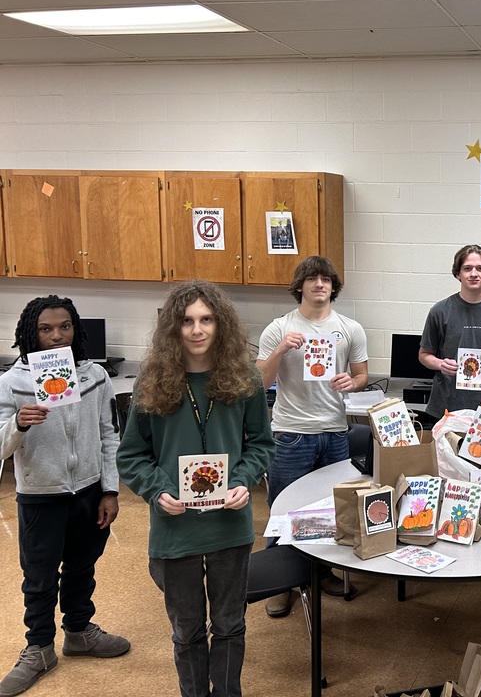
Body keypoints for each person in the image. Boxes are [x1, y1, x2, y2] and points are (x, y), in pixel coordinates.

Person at [117, 280, 275, 697]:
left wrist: (241, 481)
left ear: (221, 324)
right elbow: (131, 456)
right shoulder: (152, 382)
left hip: (230, 525)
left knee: (229, 625)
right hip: (175, 529)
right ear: (174, 327)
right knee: (186, 631)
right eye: (187, 321)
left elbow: (261, 445)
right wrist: (157, 490)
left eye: (206, 319)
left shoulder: (245, 379)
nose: (197, 330)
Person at [0, 296, 130, 697]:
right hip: (41, 494)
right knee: (39, 577)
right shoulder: (12, 382)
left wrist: (110, 489)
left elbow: (109, 434)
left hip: (89, 491)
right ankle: (39, 648)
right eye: (46, 329)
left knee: (81, 566)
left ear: (76, 329)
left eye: (64, 327)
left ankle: (78, 631)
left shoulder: (95, 376)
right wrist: (19, 423)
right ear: (30, 333)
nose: (57, 336)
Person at [256, 255, 368, 614]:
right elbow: (260, 382)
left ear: (333, 287)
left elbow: (362, 375)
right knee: (282, 510)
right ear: (300, 286)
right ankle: (280, 583)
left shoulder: (349, 328)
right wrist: (281, 349)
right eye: (312, 279)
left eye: (326, 279)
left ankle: (320, 572)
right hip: (291, 434)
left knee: (329, 511)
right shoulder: (279, 328)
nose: (320, 285)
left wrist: (352, 382)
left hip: (334, 432)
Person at [418, 245, 481, 427]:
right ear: (458, 274)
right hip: (446, 407)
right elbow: (424, 355)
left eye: (480, 268)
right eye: (467, 268)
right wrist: (440, 364)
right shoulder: (439, 311)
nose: (474, 274)